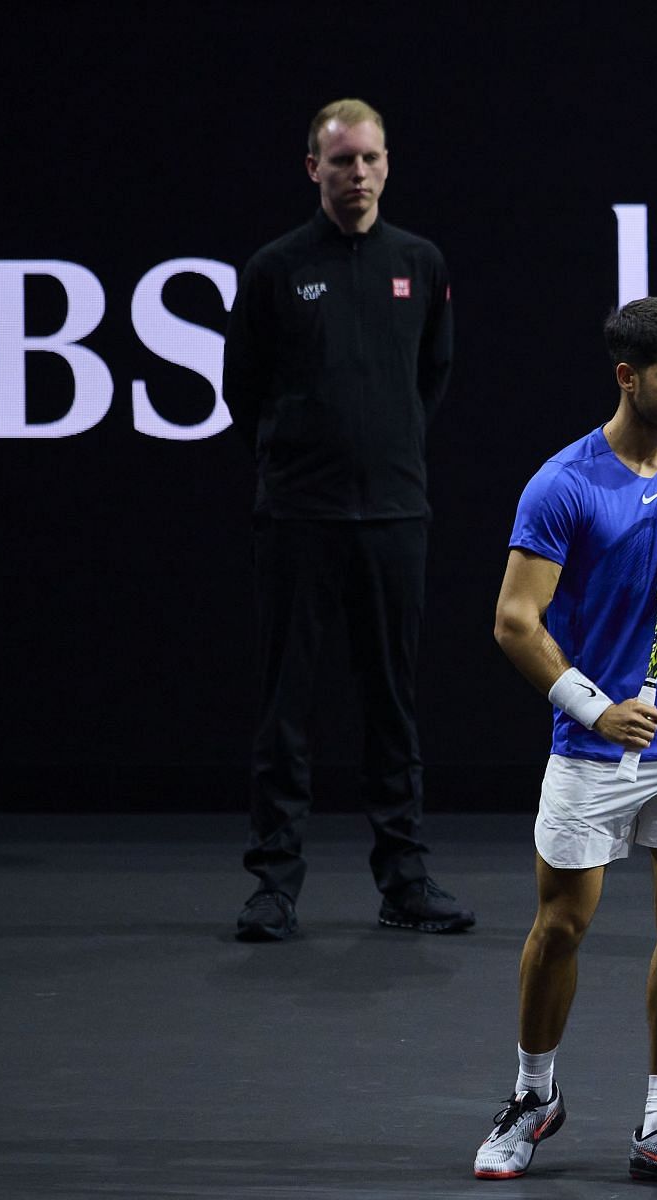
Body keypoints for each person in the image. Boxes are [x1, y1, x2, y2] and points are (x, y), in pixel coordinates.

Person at [478, 298, 657, 1187]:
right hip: (594, 748)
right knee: (562, 924)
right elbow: (516, 623)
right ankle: (534, 1096)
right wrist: (594, 707)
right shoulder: (563, 483)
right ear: (626, 378)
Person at [221, 98, 473, 941]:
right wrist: (304, 457)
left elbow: (429, 377)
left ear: (387, 165)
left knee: (392, 703)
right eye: (340, 161)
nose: (356, 174)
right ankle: (273, 886)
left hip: (396, 513)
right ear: (313, 170)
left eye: (369, 159)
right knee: (286, 705)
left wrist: (384, 452)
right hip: (298, 516)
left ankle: (405, 879)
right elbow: (243, 392)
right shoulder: (275, 269)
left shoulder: (422, 262)